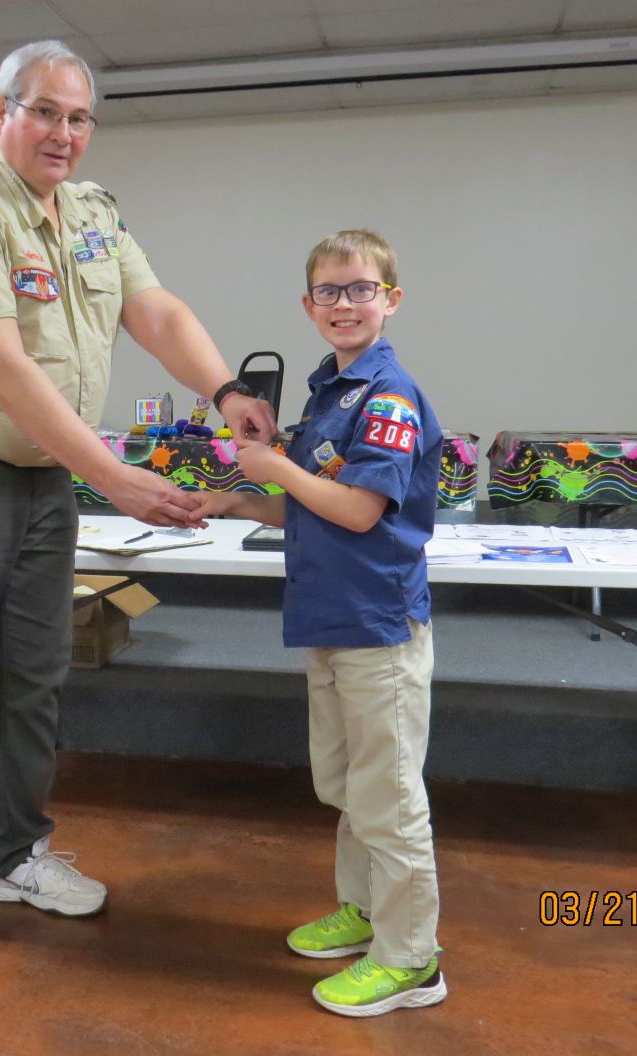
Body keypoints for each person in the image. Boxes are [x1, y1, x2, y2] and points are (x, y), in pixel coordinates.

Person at [0, 39, 278, 954]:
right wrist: (112, 477)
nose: (64, 133)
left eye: (79, 117)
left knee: (35, 673)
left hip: (42, 468)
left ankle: (10, 857)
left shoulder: (90, 211)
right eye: (44, 111)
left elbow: (153, 309)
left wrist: (226, 391)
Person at [194, 229, 445, 1017]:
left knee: (388, 796)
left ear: (390, 300)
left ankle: (411, 959)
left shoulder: (388, 395)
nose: (345, 303)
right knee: (347, 783)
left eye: (361, 288)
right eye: (329, 292)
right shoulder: (330, 392)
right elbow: (315, 504)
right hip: (331, 618)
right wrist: (240, 500)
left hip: (377, 623)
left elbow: (361, 511)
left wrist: (275, 467)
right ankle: (364, 912)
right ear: (308, 306)